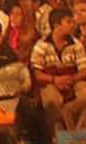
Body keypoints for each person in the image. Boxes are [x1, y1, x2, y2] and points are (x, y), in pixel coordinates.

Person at [31, 8, 86, 136]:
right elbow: (37, 75)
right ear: (56, 25)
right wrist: (55, 80)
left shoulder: (76, 45)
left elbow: (83, 70)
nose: (73, 25)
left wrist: (71, 79)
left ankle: (78, 134)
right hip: (50, 82)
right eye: (69, 22)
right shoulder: (41, 46)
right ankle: (58, 138)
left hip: (74, 81)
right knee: (52, 100)